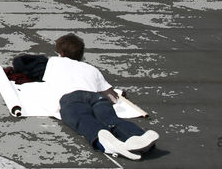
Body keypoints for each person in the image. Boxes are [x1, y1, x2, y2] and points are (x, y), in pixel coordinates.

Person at [42, 33, 160, 161]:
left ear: (60, 54)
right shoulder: (91, 69)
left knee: (84, 119)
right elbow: (112, 97)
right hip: (96, 97)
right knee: (112, 119)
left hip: (71, 98)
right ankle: (139, 136)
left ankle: (103, 139)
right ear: (81, 54)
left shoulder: (53, 62)